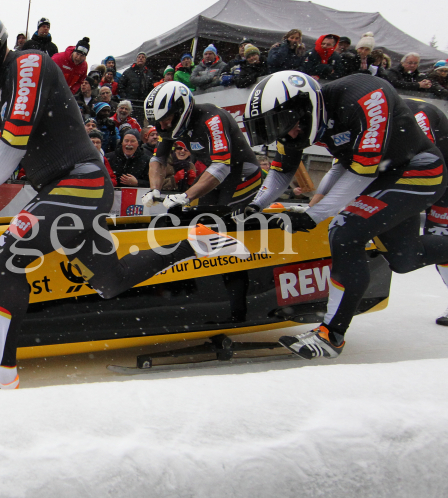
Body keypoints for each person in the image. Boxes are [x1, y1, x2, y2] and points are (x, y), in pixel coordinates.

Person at [0, 5, 248, 392]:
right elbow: (7, 152)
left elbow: (13, 145)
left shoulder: (27, 63)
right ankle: (193, 242)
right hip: (68, 189)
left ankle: (2, 373)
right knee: (110, 281)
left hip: (81, 183)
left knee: (7, 253)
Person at [242, 71, 448, 358]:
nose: (287, 134)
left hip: (416, 170)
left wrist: (315, 214)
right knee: (405, 258)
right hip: (381, 175)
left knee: (345, 230)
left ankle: (331, 335)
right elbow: (282, 170)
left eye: (285, 125)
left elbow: (361, 170)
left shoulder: (363, 95)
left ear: (306, 107)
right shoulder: (297, 123)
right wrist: (254, 206)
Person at [143, 81, 261, 210]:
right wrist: (154, 190)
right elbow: (158, 159)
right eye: (158, 122)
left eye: (166, 120)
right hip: (215, 172)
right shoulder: (167, 127)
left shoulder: (212, 119)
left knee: (225, 216)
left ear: (180, 110)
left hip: (242, 172)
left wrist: (186, 196)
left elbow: (222, 165)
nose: (162, 127)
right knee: (196, 215)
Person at [404, 100, 448, 325]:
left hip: (441, 180)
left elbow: (423, 160)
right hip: (435, 181)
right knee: (439, 243)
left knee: (441, 240)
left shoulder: (419, 117)